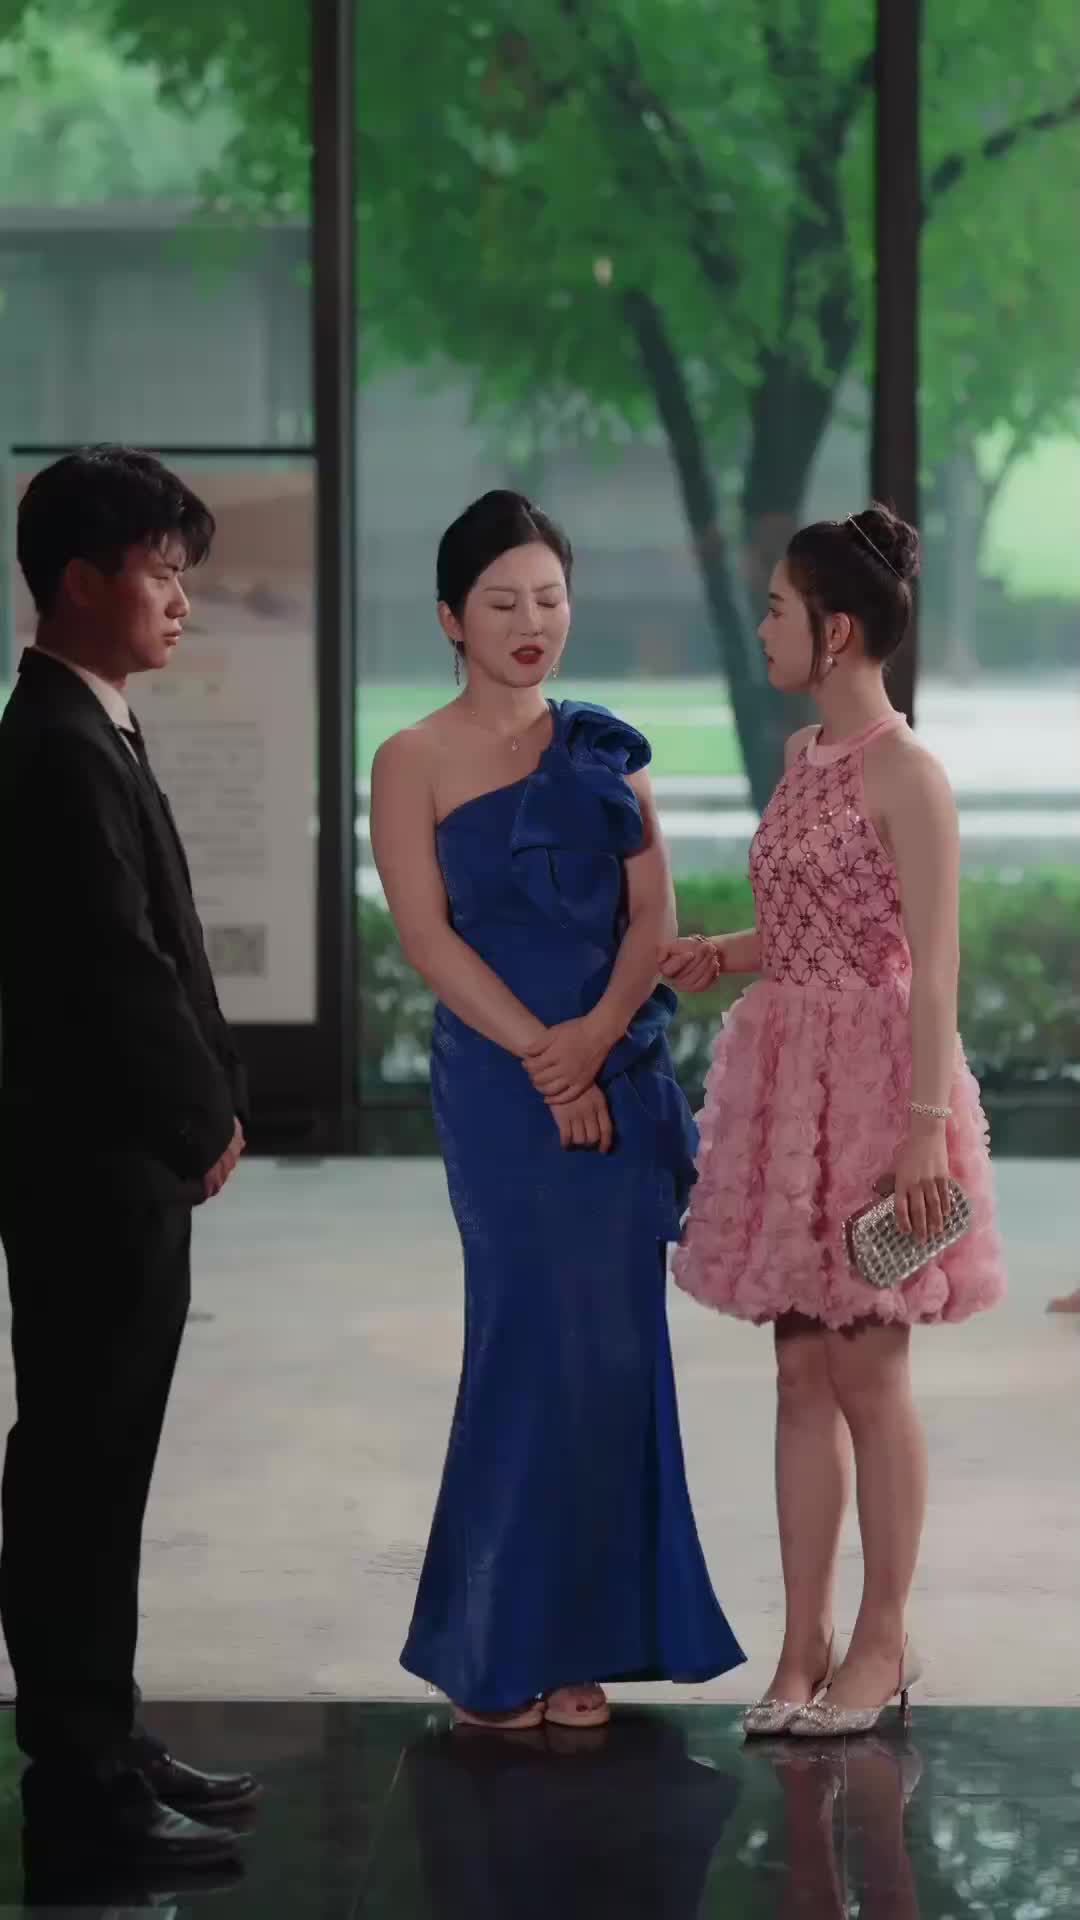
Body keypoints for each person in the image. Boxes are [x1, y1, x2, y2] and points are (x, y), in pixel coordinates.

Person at [371, 489, 744, 1730]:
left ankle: (582, 1641)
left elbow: (653, 920)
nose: (532, 622)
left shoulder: (607, 749)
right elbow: (426, 938)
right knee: (524, 1342)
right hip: (499, 1085)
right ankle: (493, 1647)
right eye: (502, 603)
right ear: (450, 618)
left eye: (549, 598)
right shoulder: (411, 758)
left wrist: (591, 1045)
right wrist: (544, 1056)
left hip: (616, 1069)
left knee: (611, 1355)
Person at [661, 505, 1005, 1739]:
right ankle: (801, 1645)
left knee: (869, 1367)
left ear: (837, 629)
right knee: (799, 1366)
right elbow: (818, 920)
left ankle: (883, 1638)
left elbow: (933, 959)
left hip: (877, 1082)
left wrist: (920, 1130)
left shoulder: (911, 773)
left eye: (776, 609)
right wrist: (726, 950)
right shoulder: (804, 752)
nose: (762, 627)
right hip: (787, 1068)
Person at [0, 446, 258, 1871]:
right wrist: (201, 1116)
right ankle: (80, 1777)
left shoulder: (88, 722)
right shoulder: (53, 743)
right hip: (90, 1168)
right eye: (160, 573)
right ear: (81, 581)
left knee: (102, 1463)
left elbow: (156, 949)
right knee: (80, 1469)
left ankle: (105, 1730)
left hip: (117, 1163)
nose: (180, 601)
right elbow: (112, 969)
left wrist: (207, 1106)